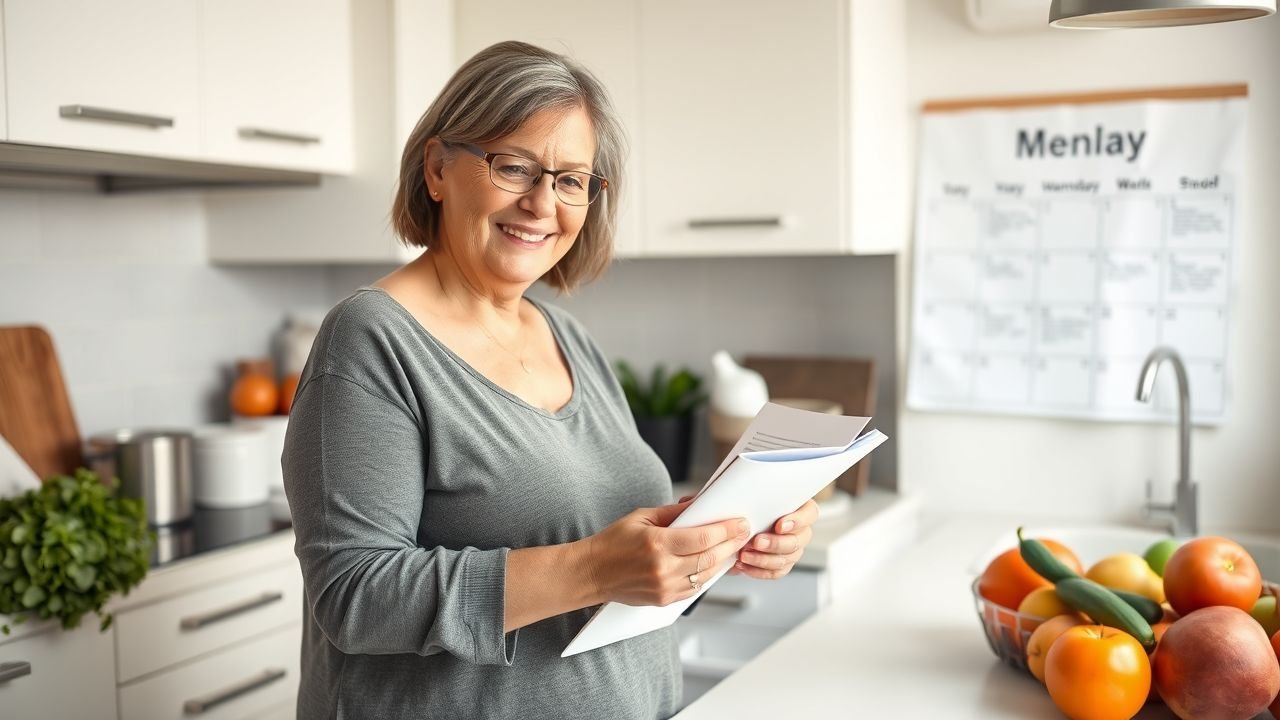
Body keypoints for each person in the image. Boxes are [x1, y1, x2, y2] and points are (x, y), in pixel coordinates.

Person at [282, 41, 819, 720]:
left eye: (570, 180)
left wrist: (715, 542)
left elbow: (617, 576)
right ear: (438, 168)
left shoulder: (568, 339)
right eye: (515, 166)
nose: (543, 203)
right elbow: (356, 596)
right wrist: (595, 566)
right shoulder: (370, 339)